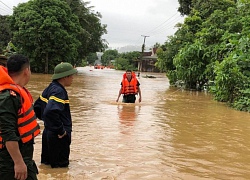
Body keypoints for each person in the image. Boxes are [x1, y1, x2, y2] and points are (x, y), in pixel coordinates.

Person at [0, 54, 40, 180]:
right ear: (27, 71)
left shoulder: (16, 93)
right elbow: (8, 132)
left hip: (20, 157)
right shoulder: (8, 97)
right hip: (9, 161)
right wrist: (18, 162)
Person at [34, 62, 77, 168]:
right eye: (71, 75)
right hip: (59, 136)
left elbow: (37, 107)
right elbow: (50, 111)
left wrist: (49, 124)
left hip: (48, 132)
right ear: (65, 77)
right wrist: (61, 130)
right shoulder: (59, 91)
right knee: (60, 168)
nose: (72, 78)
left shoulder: (50, 88)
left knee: (47, 166)